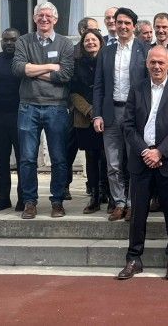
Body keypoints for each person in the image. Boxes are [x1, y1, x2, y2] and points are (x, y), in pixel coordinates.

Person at [117, 45, 168, 280]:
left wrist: (160, 152)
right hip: (141, 162)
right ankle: (133, 259)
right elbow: (128, 125)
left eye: (161, 62)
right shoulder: (137, 89)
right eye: (153, 62)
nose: (157, 66)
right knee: (138, 214)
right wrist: (145, 151)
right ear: (147, 64)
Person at [11, 3, 74, 219]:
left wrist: (33, 69)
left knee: (58, 157)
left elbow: (65, 75)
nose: (44, 19)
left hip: (57, 107)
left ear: (55, 19)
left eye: (48, 16)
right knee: (27, 158)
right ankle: (30, 202)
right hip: (28, 106)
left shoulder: (65, 43)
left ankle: (57, 201)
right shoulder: (23, 41)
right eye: (40, 15)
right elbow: (19, 69)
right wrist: (49, 66)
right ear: (34, 18)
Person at [93, 7, 149, 221]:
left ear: (134, 26)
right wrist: (97, 114)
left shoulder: (144, 50)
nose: (123, 26)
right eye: (119, 22)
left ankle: (134, 203)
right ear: (114, 25)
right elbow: (98, 86)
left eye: (127, 23)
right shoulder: (106, 51)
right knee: (113, 163)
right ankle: (119, 202)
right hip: (111, 112)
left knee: (134, 161)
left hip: (135, 113)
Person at [70, 29, 107, 214]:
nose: (90, 42)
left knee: (107, 157)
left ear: (100, 42)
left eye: (94, 39)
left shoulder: (108, 61)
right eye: (87, 40)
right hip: (85, 118)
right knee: (91, 158)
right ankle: (94, 195)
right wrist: (90, 110)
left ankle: (108, 194)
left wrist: (101, 111)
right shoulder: (77, 64)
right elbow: (73, 92)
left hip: (106, 117)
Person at [0, 28, 23, 212]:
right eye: (5, 40)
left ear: (19, 40)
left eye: (13, 40)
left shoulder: (25, 61)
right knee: (0, 160)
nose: (9, 43)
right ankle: (3, 198)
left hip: (20, 116)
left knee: (23, 159)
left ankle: (24, 198)